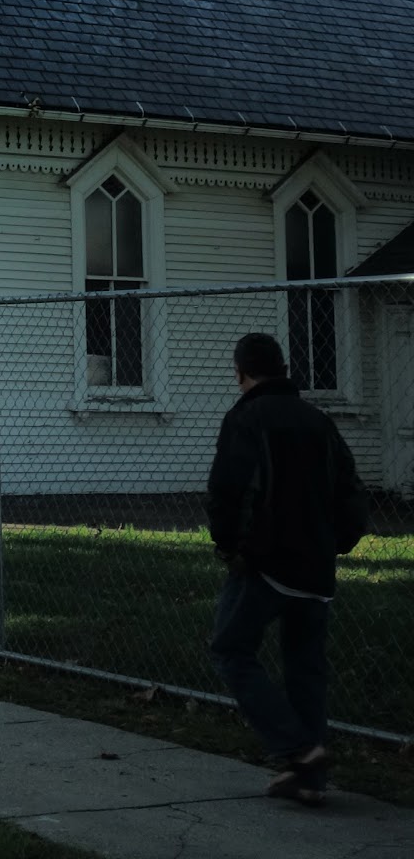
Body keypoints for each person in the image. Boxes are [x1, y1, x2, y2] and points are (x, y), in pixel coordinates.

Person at [206, 332, 369, 807]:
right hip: (315, 563)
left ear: (242, 373)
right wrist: (337, 541)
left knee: (230, 649)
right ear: (282, 368)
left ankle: (297, 749)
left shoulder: (245, 418)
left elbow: (227, 490)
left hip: (266, 560)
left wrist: (229, 545)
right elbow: (350, 490)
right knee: (306, 666)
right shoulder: (318, 420)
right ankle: (310, 778)